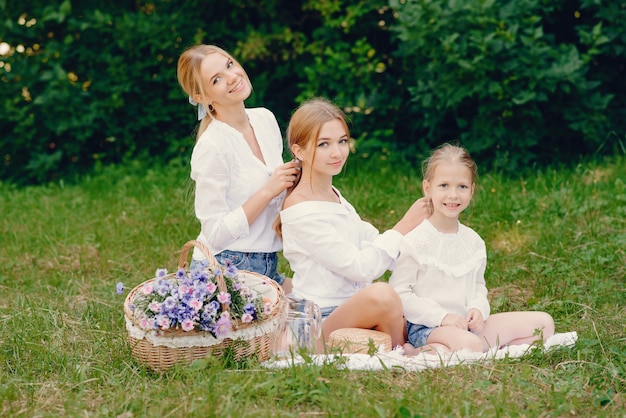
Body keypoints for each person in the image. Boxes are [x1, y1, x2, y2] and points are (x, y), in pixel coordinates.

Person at [274, 98, 430, 349]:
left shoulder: (332, 194)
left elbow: (369, 240)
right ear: (299, 151)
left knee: (415, 291)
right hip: (320, 320)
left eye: (342, 141)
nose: (337, 152)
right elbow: (359, 267)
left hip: (350, 308)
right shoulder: (300, 208)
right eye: (324, 144)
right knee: (383, 295)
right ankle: (401, 350)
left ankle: (401, 344)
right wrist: (403, 225)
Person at [389, 143, 555, 355]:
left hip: (468, 327)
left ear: (472, 190)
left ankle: (462, 351)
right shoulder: (415, 240)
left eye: (462, 187)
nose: (453, 195)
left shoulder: (474, 241)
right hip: (429, 327)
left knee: (544, 324)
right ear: (427, 188)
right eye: (444, 186)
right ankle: (418, 352)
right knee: (471, 345)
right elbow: (399, 293)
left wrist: (478, 309)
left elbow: (478, 286)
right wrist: (442, 317)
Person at [176, 44, 300, 292]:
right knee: (313, 321)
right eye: (217, 79)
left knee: (328, 303)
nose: (232, 77)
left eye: (229, 65)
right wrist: (268, 190)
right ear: (202, 97)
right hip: (225, 271)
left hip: (266, 266)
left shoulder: (265, 119)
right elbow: (215, 233)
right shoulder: (212, 146)